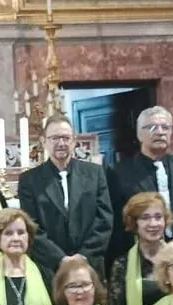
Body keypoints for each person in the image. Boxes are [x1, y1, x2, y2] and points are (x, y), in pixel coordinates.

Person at [108, 106, 173, 259]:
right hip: (142, 257)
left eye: (165, 127)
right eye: (152, 127)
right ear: (139, 134)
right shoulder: (120, 172)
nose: (160, 132)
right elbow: (116, 224)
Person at [17, 117, 113, 280]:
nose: (61, 143)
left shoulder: (94, 173)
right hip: (50, 267)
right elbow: (31, 226)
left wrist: (84, 256)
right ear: (44, 141)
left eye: (66, 138)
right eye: (55, 138)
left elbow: (104, 219)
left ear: (74, 141)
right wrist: (60, 259)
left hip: (90, 265)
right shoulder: (29, 180)